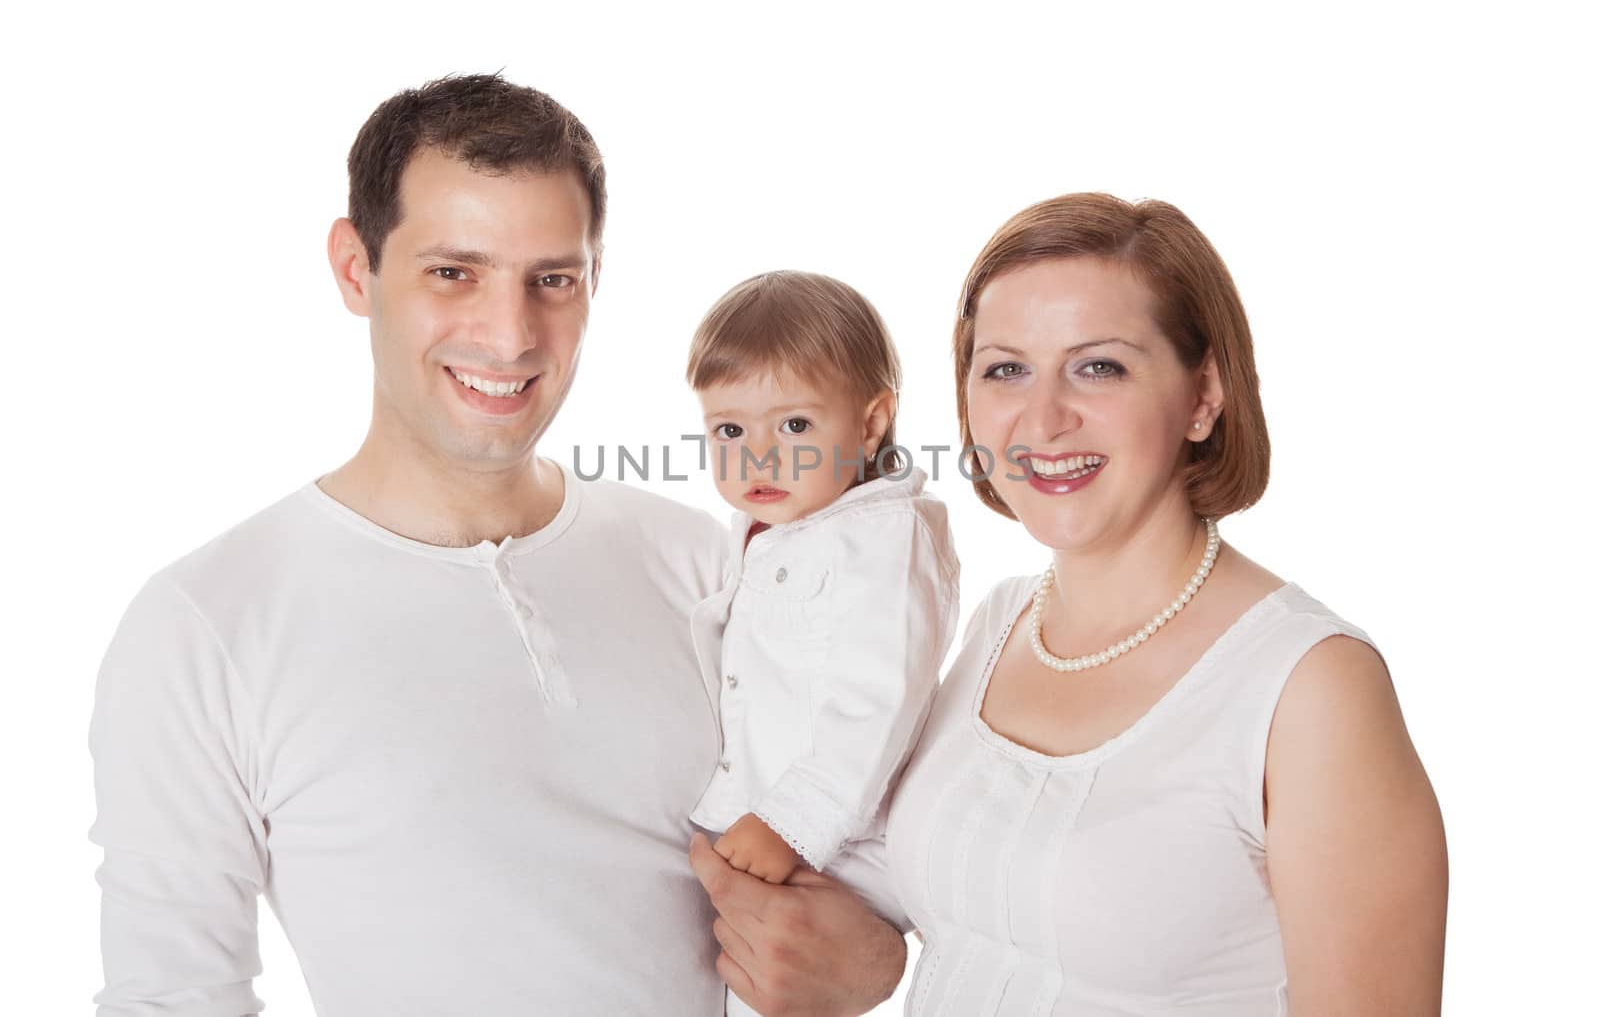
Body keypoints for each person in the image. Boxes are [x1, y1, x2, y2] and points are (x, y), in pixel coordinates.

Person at [88, 73, 903, 1015]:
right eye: (453, 271)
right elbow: (171, 996)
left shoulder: (713, 563)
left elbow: (857, 797)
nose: (510, 334)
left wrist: (880, 955)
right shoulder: (207, 624)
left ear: (596, 280)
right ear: (357, 269)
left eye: (551, 280)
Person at [881, 193, 1449, 1014]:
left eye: (1098, 366)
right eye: (1006, 368)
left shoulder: (1312, 690)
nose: (1043, 417)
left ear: (1204, 394)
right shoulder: (996, 624)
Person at [682, 272, 961, 1014]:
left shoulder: (883, 541)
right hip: (771, 833)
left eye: (795, 426)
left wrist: (790, 822)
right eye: (730, 431)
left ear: (871, 424)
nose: (759, 457)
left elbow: (877, 702)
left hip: (839, 845)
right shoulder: (784, 529)